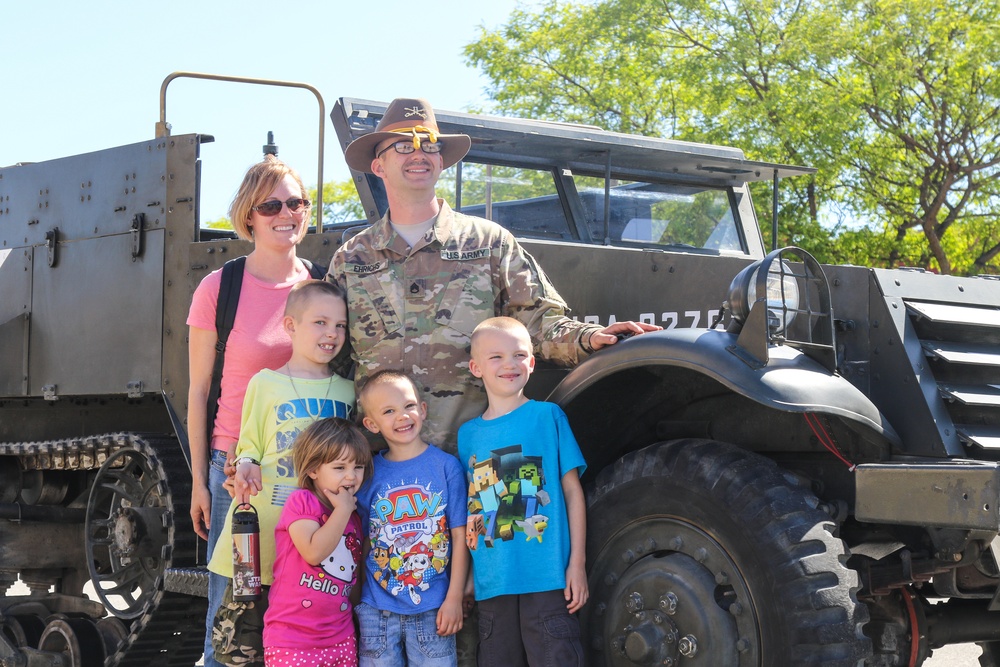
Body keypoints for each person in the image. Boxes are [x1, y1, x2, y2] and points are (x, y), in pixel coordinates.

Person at [329, 97, 660, 456]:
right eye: (404, 146)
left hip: (473, 461)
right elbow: (330, 355)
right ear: (379, 166)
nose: (419, 154)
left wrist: (591, 338)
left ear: (441, 161)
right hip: (384, 474)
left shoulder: (489, 244)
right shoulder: (352, 258)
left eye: (430, 145)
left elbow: (537, 323)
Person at [187, 155, 330, 667]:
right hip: (240, 479)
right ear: (249, 214)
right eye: (271, 204)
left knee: (306, 608)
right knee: (234, 615)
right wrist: (201, 482)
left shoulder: (321, 286)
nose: (285, 212)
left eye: (295, 202)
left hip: (312, 477)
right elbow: (199, 391)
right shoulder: (219, 289)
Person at [208, 280, 355, 665]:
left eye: (340, 325)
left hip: (316, 541)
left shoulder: (348, 392)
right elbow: (249, 444)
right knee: (243, 643)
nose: (331, 334)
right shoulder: (265, 383)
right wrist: (244, 464)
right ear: (290, 325)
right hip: (260, 534)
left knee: (300, 644)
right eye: (320, 322)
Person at [458, 317, 588, 666]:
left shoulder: (548, 417)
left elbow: (572, 492)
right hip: (492, 583)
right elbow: (476, 508)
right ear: (476, 367)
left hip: (548, 579)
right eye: (496, 357)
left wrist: (576, 564)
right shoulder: (467, 435)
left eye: (518, 355)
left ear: (532, 362)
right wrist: (470, 578)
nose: (509, 365)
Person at [353, 370, 469, 667]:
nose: (402, 417)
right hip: (377, 612)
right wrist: (359, 600)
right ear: (371, 424)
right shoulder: (368, 475)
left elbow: (459, 536)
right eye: (389, 411)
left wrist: (454, 597)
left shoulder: (446, 467)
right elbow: (365, 541)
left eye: (408, 406)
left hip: (434, 608)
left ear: (423, 409)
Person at [262, 417, 371, 667]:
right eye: (339, 467)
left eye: (359, 467)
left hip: (341, 637)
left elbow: (352, 579)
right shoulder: (302, 502)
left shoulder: (354, 518)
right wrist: (342, 510)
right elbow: (313, 552)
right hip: (292, 638)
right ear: (313, 470)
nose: (351, 477)